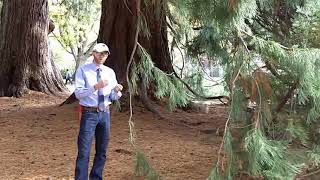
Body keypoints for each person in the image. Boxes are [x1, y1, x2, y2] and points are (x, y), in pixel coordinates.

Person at [74, 43, 123, 180]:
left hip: (105, 114)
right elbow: (78, 93)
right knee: (84, 151)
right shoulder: (83, 70)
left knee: (102, 151)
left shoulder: (110, 72)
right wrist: (96, 86)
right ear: (94, 53)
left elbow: (112, 97)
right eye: (99, 53)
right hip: (89, 114)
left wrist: (117, 91)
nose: (102, 56)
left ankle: (96, 177)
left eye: (105, 54)